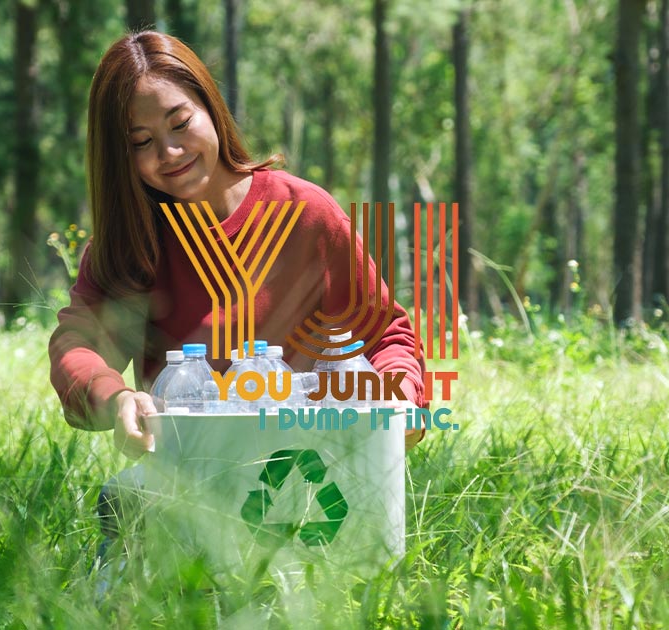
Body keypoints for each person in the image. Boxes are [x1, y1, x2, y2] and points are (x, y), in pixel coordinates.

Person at [46, 31, 427, 564]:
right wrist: (115, 397)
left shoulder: (304, 214)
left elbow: (387, 335)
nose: (170, 152)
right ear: (119, 156)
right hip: (192, 493)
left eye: (181, 124)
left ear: (211, 107)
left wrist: (399, 397)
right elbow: (77, 344)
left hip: (318, 486)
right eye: (141, 142)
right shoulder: (130, 245)